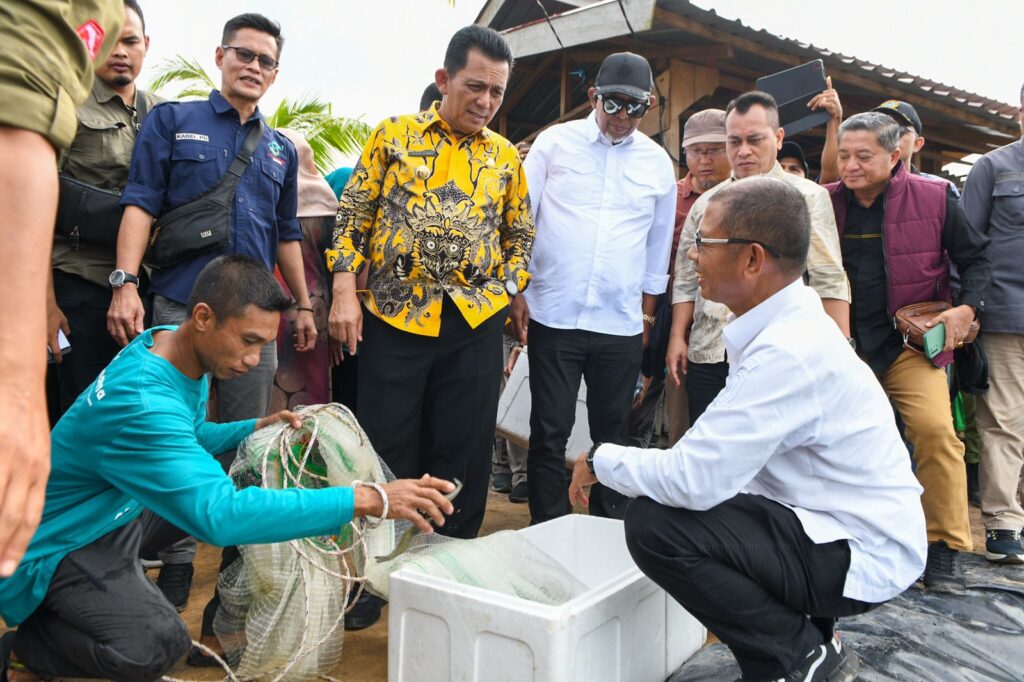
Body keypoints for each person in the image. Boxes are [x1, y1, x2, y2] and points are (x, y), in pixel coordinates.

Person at [0, 255, 455, 682]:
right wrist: (368, 499)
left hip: (109, 510)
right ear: (202, 318)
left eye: (263, 344)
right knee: (154, 645)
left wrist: (255, 427)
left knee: (249, 466)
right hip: (55, 544)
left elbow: (190, 436)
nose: (255, 360)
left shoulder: (165, 346)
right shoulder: (144, 401)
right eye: (248, 341)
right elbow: (219, 518)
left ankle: (140, 599)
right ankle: (27, 645)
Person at [569, 176, 927, 682]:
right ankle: (811, 634)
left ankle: (798, 655)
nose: (692, 256)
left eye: (703, 243)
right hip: (833, 523)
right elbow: (715, 464)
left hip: (859, 549)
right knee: (686, 506)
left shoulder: (787, 351)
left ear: (753, 259)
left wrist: (599, 461)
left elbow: (694, 479)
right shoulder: (780, 327)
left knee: (656, 526)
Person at [105, 12, 318, 613]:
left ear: (275, 75)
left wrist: (301, 304)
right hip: (180, 309)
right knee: (171, 440)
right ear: (220, 56)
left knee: (248, 445)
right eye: (243, 55)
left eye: (266, 61)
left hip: (253, 324)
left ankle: (232, 580)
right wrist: (124, 284)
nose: (253, 67)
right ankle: (172, 565)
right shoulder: (173, 121)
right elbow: (141, 203)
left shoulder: (279, 149)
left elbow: (285, 233)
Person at [326, 25, 533, 626]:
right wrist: (344, 290)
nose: (486, 102)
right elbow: (353, 216)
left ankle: (449, 572)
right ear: (444, 80)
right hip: (395, 315)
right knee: (388, 443)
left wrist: (505, 287)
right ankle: (374, 578)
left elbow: (520, 234)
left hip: (474, 321)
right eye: (475, 87)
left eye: (496, 92)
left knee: (462, 449)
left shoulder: (504, 158)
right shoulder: (394, 136)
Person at [825, 111, 991, 589]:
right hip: (842, 348)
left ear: (895, 155)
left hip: (908, 348)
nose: (850, 166)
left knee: (937, 433)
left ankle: (945, 546)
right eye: (844, 155)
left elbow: (975, 257)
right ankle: (846, 540)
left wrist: (967, 310)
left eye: (864, 156)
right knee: (836, 445)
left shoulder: (936, 197)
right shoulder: (824, 203)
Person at [511, 52, 675, 523]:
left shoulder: (657, 164)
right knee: (549, 430)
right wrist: (517, 292)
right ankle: (544, 530)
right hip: (553, 317)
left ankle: (605, 530)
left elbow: (656, 250)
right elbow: (522, 223)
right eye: (614, 104)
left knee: (611, 438)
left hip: (619, 325)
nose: (623, 117)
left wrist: (645, 319)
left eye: (636, 107)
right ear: (593, 97)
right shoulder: (554, 144)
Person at [0, 0, 124, 582]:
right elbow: (21, 144)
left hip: (117, 289)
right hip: (55, 278)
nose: (122, 49)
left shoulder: (151, 116)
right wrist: (17, 382)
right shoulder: (70, 89)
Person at [670, 91, 851, 424]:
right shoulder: (706, 203)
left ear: (778, 138)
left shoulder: (808, 198)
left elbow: (829, 278)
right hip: (710, 350)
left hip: (781, 352)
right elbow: (685, 278)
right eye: (734, 141)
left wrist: (840, 353)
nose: (743, 151)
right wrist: (677, 337)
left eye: (755, 140)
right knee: (711, 457)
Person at [47, 0, 159, 417]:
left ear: (146, 45)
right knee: (82, 411)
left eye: (130, 40)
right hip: (78, 284)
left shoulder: (165, 113)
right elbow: (38, 205)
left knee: (133, 414)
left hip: (147, 290)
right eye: (109, 39)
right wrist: (45, 304)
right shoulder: (67, 103)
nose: (120, 50)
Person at [960, 82, 1024, 564]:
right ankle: (1003, 524)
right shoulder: (993, 168)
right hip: (1005, 313)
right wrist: (970, 308)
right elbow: (966, 246)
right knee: (1002, 420)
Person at [664, 109, 730, 444]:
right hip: (677, 313)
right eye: (696, 151)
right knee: (684, 419)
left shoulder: (758, 197)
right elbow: (682, 275)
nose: (704, 160)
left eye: (714, 150)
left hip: (732, 325)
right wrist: (672, 331)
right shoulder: (671, 197)